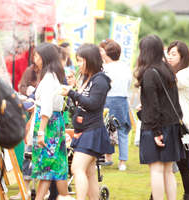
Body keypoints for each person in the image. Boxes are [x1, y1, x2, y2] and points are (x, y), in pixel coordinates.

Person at [134, 35, 185, 200]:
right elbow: (168, 100)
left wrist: (156, 132)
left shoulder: (149, 73)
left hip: (156, 127)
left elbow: (155, 106)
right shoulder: (167, 68)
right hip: (171, 125)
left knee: (156, 170)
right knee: (168, 171)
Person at [61, 43, 113, 200]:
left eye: (81, 60)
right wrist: (75, 88)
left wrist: (72, 93)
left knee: (77, 169)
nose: (79, 64)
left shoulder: (100, 80)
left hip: (92, 130)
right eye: (77, 60)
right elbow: (84, 100)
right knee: (89, 173)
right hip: (85, 130)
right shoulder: (88, 78)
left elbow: (93, 104)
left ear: (91, 60)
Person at [31, 42, 68, 200]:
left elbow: (46, 109)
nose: (34, 59)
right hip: (55, 123)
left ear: (44, 57)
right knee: (57, 167)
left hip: (48, 126)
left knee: (48, 167)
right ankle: (64, 197)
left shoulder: (48, 78)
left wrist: (40, 133)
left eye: (36, 55)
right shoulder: (53, 76)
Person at [167, 41, 189, 200]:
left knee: (184, 165)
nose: (170, 57)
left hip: (185, 126)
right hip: (175, 124)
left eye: (174, 54)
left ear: (183, 56)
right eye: (169, 53)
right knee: (166, 166)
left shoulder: (185, 74)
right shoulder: (178, 72)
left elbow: (167, 81)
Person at [99, 41, 132, 171]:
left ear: (107, 53)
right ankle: (122, 162)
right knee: (122, 131)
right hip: (121, 101)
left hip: (106, 101)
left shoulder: (103, 68)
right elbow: (128, 84)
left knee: (103, 131)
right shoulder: (126, 67)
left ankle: (104, 159)